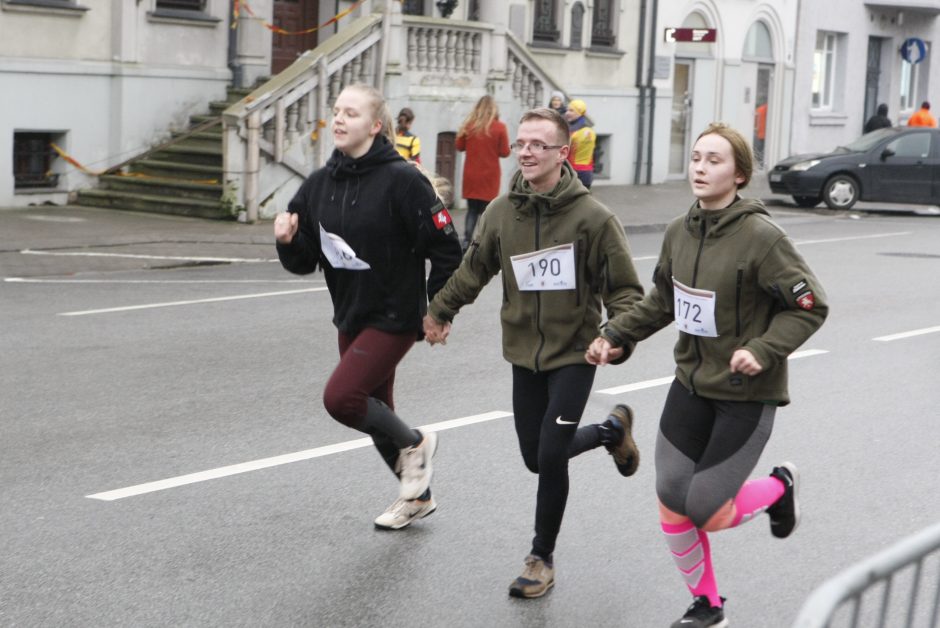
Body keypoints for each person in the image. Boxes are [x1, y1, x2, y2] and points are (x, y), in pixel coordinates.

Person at [586, 122, 828, 628]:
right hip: (691, 384)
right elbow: (664, 303)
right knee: (673, 498)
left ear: (738, 175)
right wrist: (616, 335)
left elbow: (809, 307)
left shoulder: (763, 238)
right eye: (696, 157)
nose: (699, 167)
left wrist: (763, 349)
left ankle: (780, 488)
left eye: (714, 160)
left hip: (745, 393)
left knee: (709, 511)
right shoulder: (680, 230)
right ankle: (708, 603)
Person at [424, 107, 645, 599]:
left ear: (562, 154)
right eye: (521, 143)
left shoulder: (594, 218)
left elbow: (628, 294)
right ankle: (612, 431)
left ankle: (540, 558)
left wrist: (615, 337)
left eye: (537, 145)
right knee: (534, 456)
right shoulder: (503, 212)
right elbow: (473, 270)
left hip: (575, 353)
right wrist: (440, 311)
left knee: (550, 456)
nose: (525, 151)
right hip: (523, 351)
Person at [274, 84, 462, 531]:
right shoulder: (318, 186)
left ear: (375, 126)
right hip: (351, 314)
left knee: (342, 399)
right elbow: (305, 260)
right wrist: (286, 240)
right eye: (337, 111)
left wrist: (439, 311)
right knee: (378, 409)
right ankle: (417, 496)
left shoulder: (403, 180)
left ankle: (417, 443)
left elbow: (447, 249)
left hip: (396, 315)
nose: (339, 119)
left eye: (351, 113)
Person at [455, 95, 511, 250]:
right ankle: (483, 242)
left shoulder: (469, 125)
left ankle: (466, 240)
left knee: (471, 209)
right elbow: (505, 152)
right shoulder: (500, 127)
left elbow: (459, 146)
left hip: (471, 174)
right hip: (490, 175)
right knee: (487, 211)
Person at [564, 99, 597, 189]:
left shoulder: (576, 132)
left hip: (574, 173)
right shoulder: (589, 130)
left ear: (580, 112)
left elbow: (565, 152)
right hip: (586, 173)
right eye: (567, 110)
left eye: (571, 110)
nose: (567, 113)